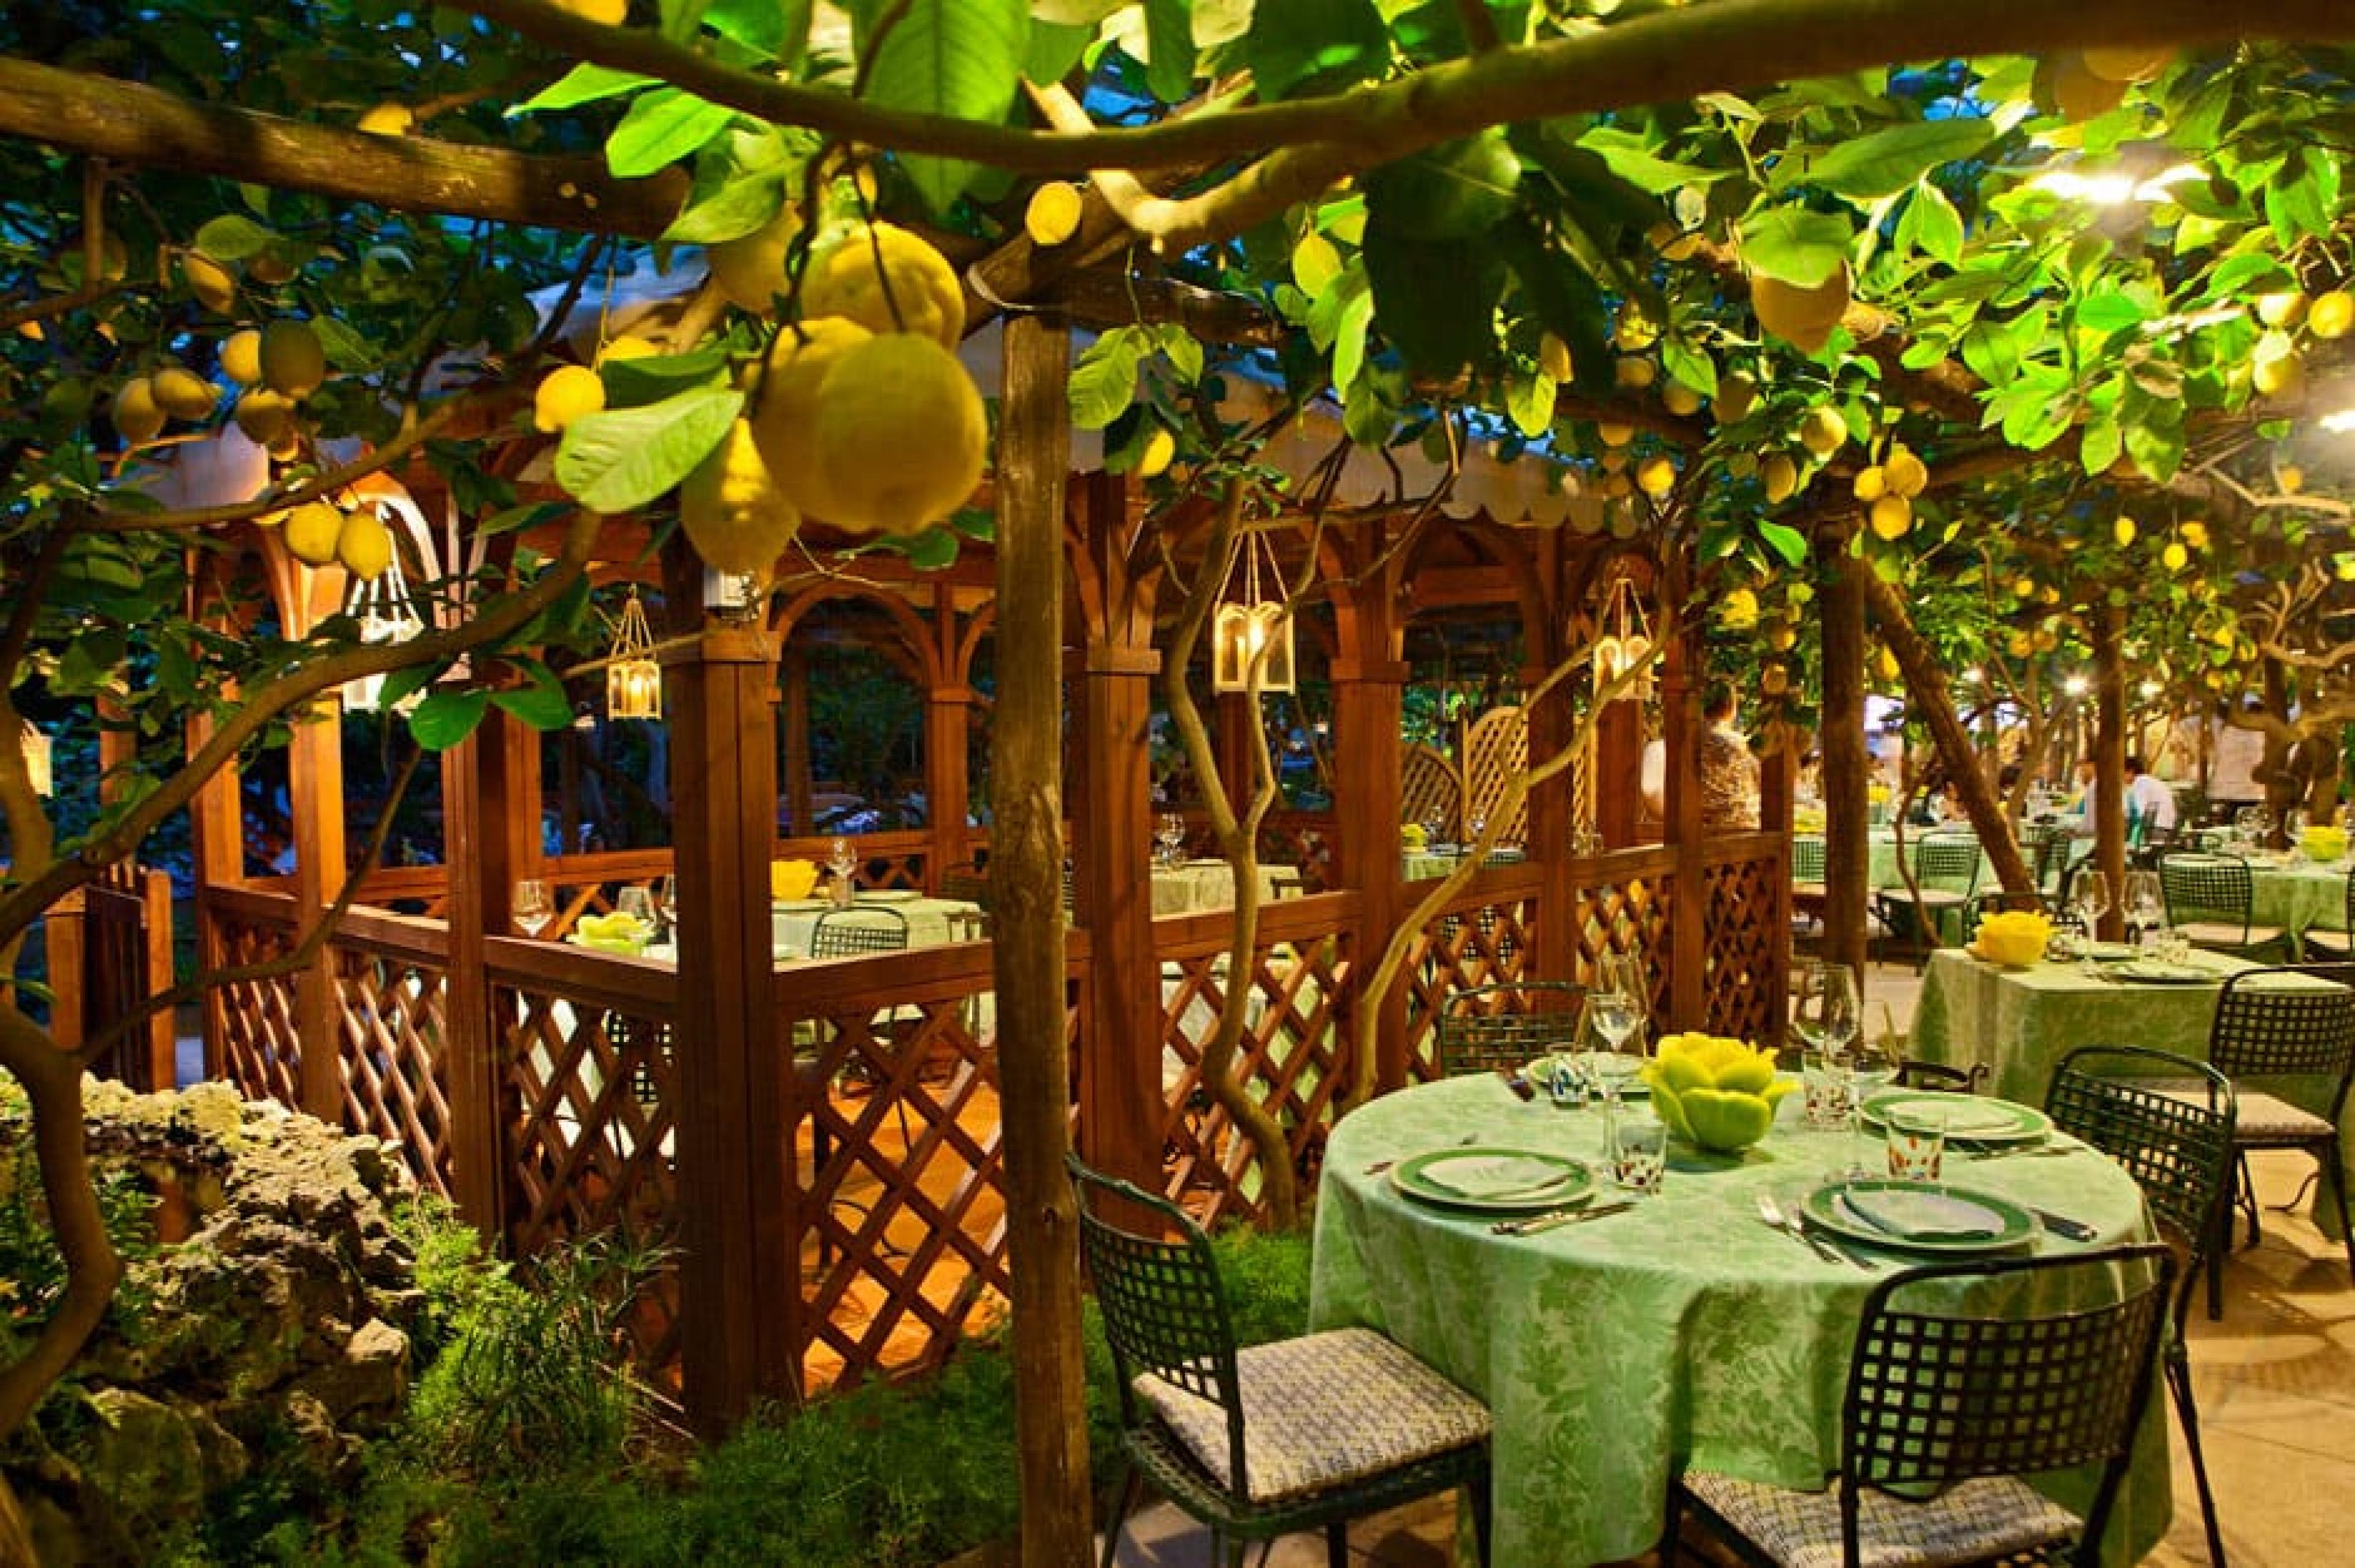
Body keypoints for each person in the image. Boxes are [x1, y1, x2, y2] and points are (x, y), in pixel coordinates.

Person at [1696, 683, 1761, 830]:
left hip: (1697, 825)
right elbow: (1759, 781)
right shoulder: (1739, 744)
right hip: (1739, 823)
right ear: (1731, 708)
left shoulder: (1687, 741)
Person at [2124, 754, 2177, 843]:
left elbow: (2137, 812)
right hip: (2166, 826)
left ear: (2130, 772)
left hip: (2157, 827)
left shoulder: (2140, 782)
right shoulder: (2150, 781)